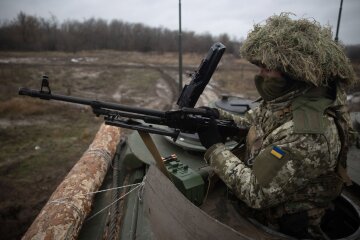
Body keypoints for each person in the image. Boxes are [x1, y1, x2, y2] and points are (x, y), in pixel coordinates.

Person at [197, 13, 358, 239]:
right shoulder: (289, 99)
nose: (260, 74)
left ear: (293, 73)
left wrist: (215, 148)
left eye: (267, 68)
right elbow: (257, 123)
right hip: (266, 213)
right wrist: (215, 116)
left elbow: (256, 191)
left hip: (283, 227)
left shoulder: (308, 132)